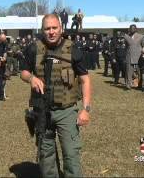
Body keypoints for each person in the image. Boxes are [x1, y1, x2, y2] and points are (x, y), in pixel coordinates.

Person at [21, 14, 91, 177]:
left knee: (71, 154)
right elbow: (23, 72)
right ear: (42, 30)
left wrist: (86, 109)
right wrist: (31, 78)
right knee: (46, 156)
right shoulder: (34, 48)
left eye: (54, 28)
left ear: (61, 28)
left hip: (66, 111)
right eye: (47, 28)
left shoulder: (72, 49)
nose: (51, 32)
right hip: (42, 111)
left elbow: (85, 80)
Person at [124, 24, 144, 89]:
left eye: (133, 28)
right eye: (131, 28)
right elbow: (126, 46)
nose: (132, 29)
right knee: (128, 71)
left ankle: (140, 84)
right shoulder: (126, 36)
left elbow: (143, 46)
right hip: (129, 55)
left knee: (139, 72)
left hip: (139, 56)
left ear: (136, 29)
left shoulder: (141, 36)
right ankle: (128, 84)